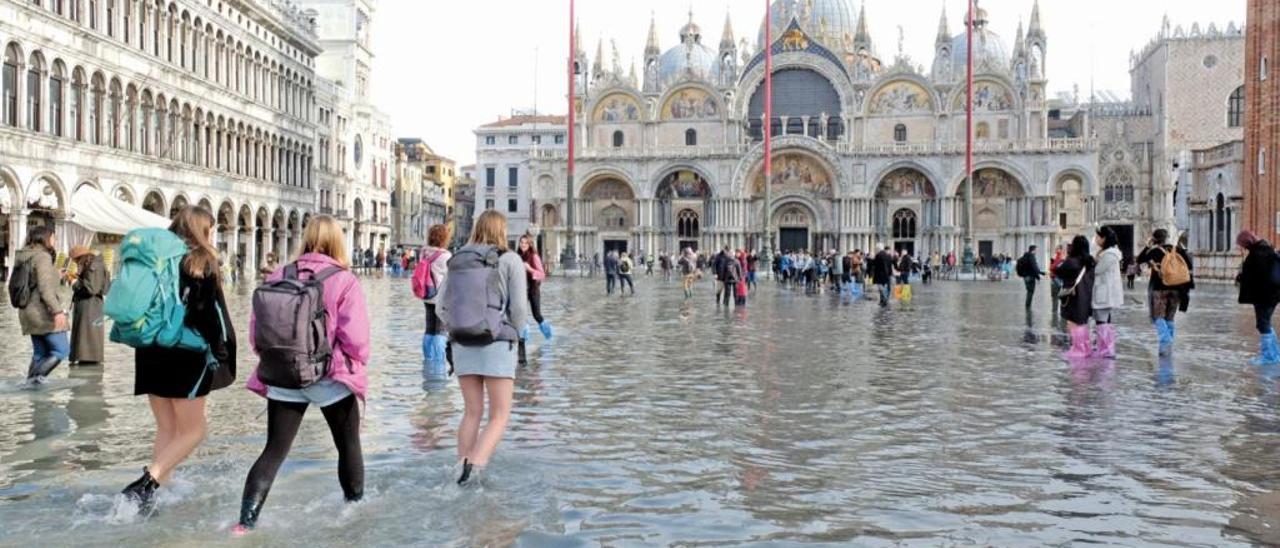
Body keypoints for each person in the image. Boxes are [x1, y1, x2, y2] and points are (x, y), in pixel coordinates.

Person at [235, 215, 371, 533]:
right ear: (338, 241)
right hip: (329, 377)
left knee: (273, 450)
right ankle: (355, 514)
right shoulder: (344, 279)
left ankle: (244, 523)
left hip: (282, 375)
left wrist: (282, 361)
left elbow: (257, 336)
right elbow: (357, 340)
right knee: (348, 445)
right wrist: (355, 366)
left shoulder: (279, 274)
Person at [124, 207, 237, 513]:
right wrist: (221, 351)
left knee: (167, 428)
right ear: (203, 230)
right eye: (210, 229)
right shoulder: (199, 260)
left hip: (148, 351)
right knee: (194, 431)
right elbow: (209, 314)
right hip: (184, 355)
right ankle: (147, 483)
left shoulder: (154, 257)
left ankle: (159, 492)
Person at [438, 210, 528, 485]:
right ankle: (474, 469)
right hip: (497, 342)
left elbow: (441, 306)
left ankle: (461, 468)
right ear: (502, 230)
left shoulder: (457, 260)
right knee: (499, 415)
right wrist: (512, 331)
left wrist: (460, 326)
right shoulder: (510, 259)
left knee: (471, 411)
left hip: (462, 342)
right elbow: (520, 309)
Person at [15, 227, 70, 383]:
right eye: (53, 237)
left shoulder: (23, 254)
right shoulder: (43, 257)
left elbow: (32, 280)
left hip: (26, 311)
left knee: (40, 353)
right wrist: (58, 312)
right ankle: (33, 383)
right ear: (46, 237)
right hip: (42, 312)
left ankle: (31, 387)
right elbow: (46, 290)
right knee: (62, 350)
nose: (55, 240)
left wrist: (55, 274)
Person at [1136, 229, 1194, 355]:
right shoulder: (1177, 250)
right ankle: (1168, 346)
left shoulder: (1154, 251)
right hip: (1177, 288)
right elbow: (1189, 265)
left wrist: (1147, 245)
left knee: (1158, 316)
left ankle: (1165, 340)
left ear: (1154, 239)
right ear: (1167, 237)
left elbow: (1139, 259)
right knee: (1170, 317)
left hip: (1159, 288)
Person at [1236, 230, 1280, 365]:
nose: (1242, 247)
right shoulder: (1266, 249)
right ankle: (1274, 354)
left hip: (1264, 296)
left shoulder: (1258, 254)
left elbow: (1257, 277)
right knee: (1265, 322)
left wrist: (1241, 277)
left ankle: (1269, 357)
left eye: (1242, 244)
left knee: (1263, 324)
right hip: (1272, 294)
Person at [420, 225, 453, 388]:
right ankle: (439, 364)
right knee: (441, 330)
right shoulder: (446, 256)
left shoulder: (424, 252)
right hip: (441, 298)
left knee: (429, 329)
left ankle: (428, 358)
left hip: (427, 296)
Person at [69, 246, 110, 365]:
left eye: (76, 260)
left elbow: (91, 288)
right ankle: (85, 358)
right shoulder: (93, 265)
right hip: (90, 307)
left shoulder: (94, 266)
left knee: (88, 340)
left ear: (81, 257)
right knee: (85, 339)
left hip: (90, 307)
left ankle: (87, 359)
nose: (76, 263)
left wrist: (74, 283)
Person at [1057, 235, 1096, 358]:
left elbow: (1059, 272)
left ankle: (1078, 349)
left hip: (1074, 297)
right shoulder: (1091, 262)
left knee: (1073, 323)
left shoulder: (1071, 261)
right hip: (1087, 295)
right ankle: (1085, 347)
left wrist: (1063, 259)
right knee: (1083, 322)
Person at [517, 235, 552, 367]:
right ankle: (523, 340)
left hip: (533, 289)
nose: (523, 244)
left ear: (530, 244)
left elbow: (542, 275)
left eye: (525, 243)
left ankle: (549, 336)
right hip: (520, 290)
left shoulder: (534, 257)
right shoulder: (517, 256)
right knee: (521, 315)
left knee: (537, 315)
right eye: (521, 242)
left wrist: (529, 269)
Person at [1092, 227, 1124, 358]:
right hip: (1104, 291)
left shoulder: (1110, 254)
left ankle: (1106, 350)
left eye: (1098, 237)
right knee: (1104, 320)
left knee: (1102, 320)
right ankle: (1104, 347)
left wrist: (1093, 261)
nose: (1096, 239)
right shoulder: (1105, 253)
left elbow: (1098, 270)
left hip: (1105, 292)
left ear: (1104, 238)